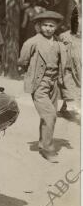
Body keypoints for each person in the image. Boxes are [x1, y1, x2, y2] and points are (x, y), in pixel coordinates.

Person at [18, 11, 68, 163]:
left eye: (51, 26)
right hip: (39, 83)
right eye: (45, 25)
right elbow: (22, 61)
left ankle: (42, 142)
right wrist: (30, 73)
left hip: (53, 83)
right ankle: (48, 149)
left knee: (49, 115)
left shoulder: (59, 43)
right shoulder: (32, 42)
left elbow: (63, 63)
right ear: (39, 26)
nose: (48, 28)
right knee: (50, 115)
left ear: (56, 27)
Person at [59, 9, 81, 115]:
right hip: (67, 65)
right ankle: (66, 107)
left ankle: (67, 107)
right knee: (67, 85)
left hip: (79, 65)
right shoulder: (64, 36)